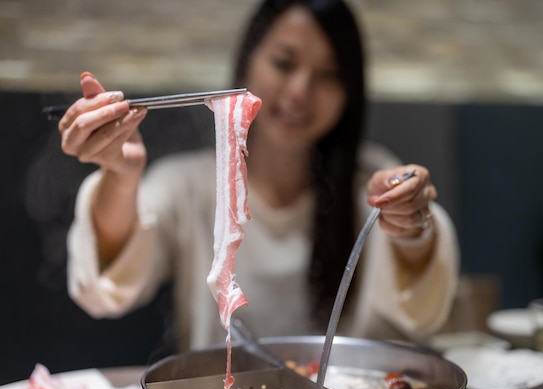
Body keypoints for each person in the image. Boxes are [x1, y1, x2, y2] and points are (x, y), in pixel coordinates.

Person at [58, 0, 460, 352]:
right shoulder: (188, 186)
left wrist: (410, 224)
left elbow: (423, 311)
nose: (300, 90)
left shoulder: (367, 182)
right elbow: (105, 293)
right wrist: (121, 177)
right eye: (284, 63)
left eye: (329, 74)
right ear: (248, 58)